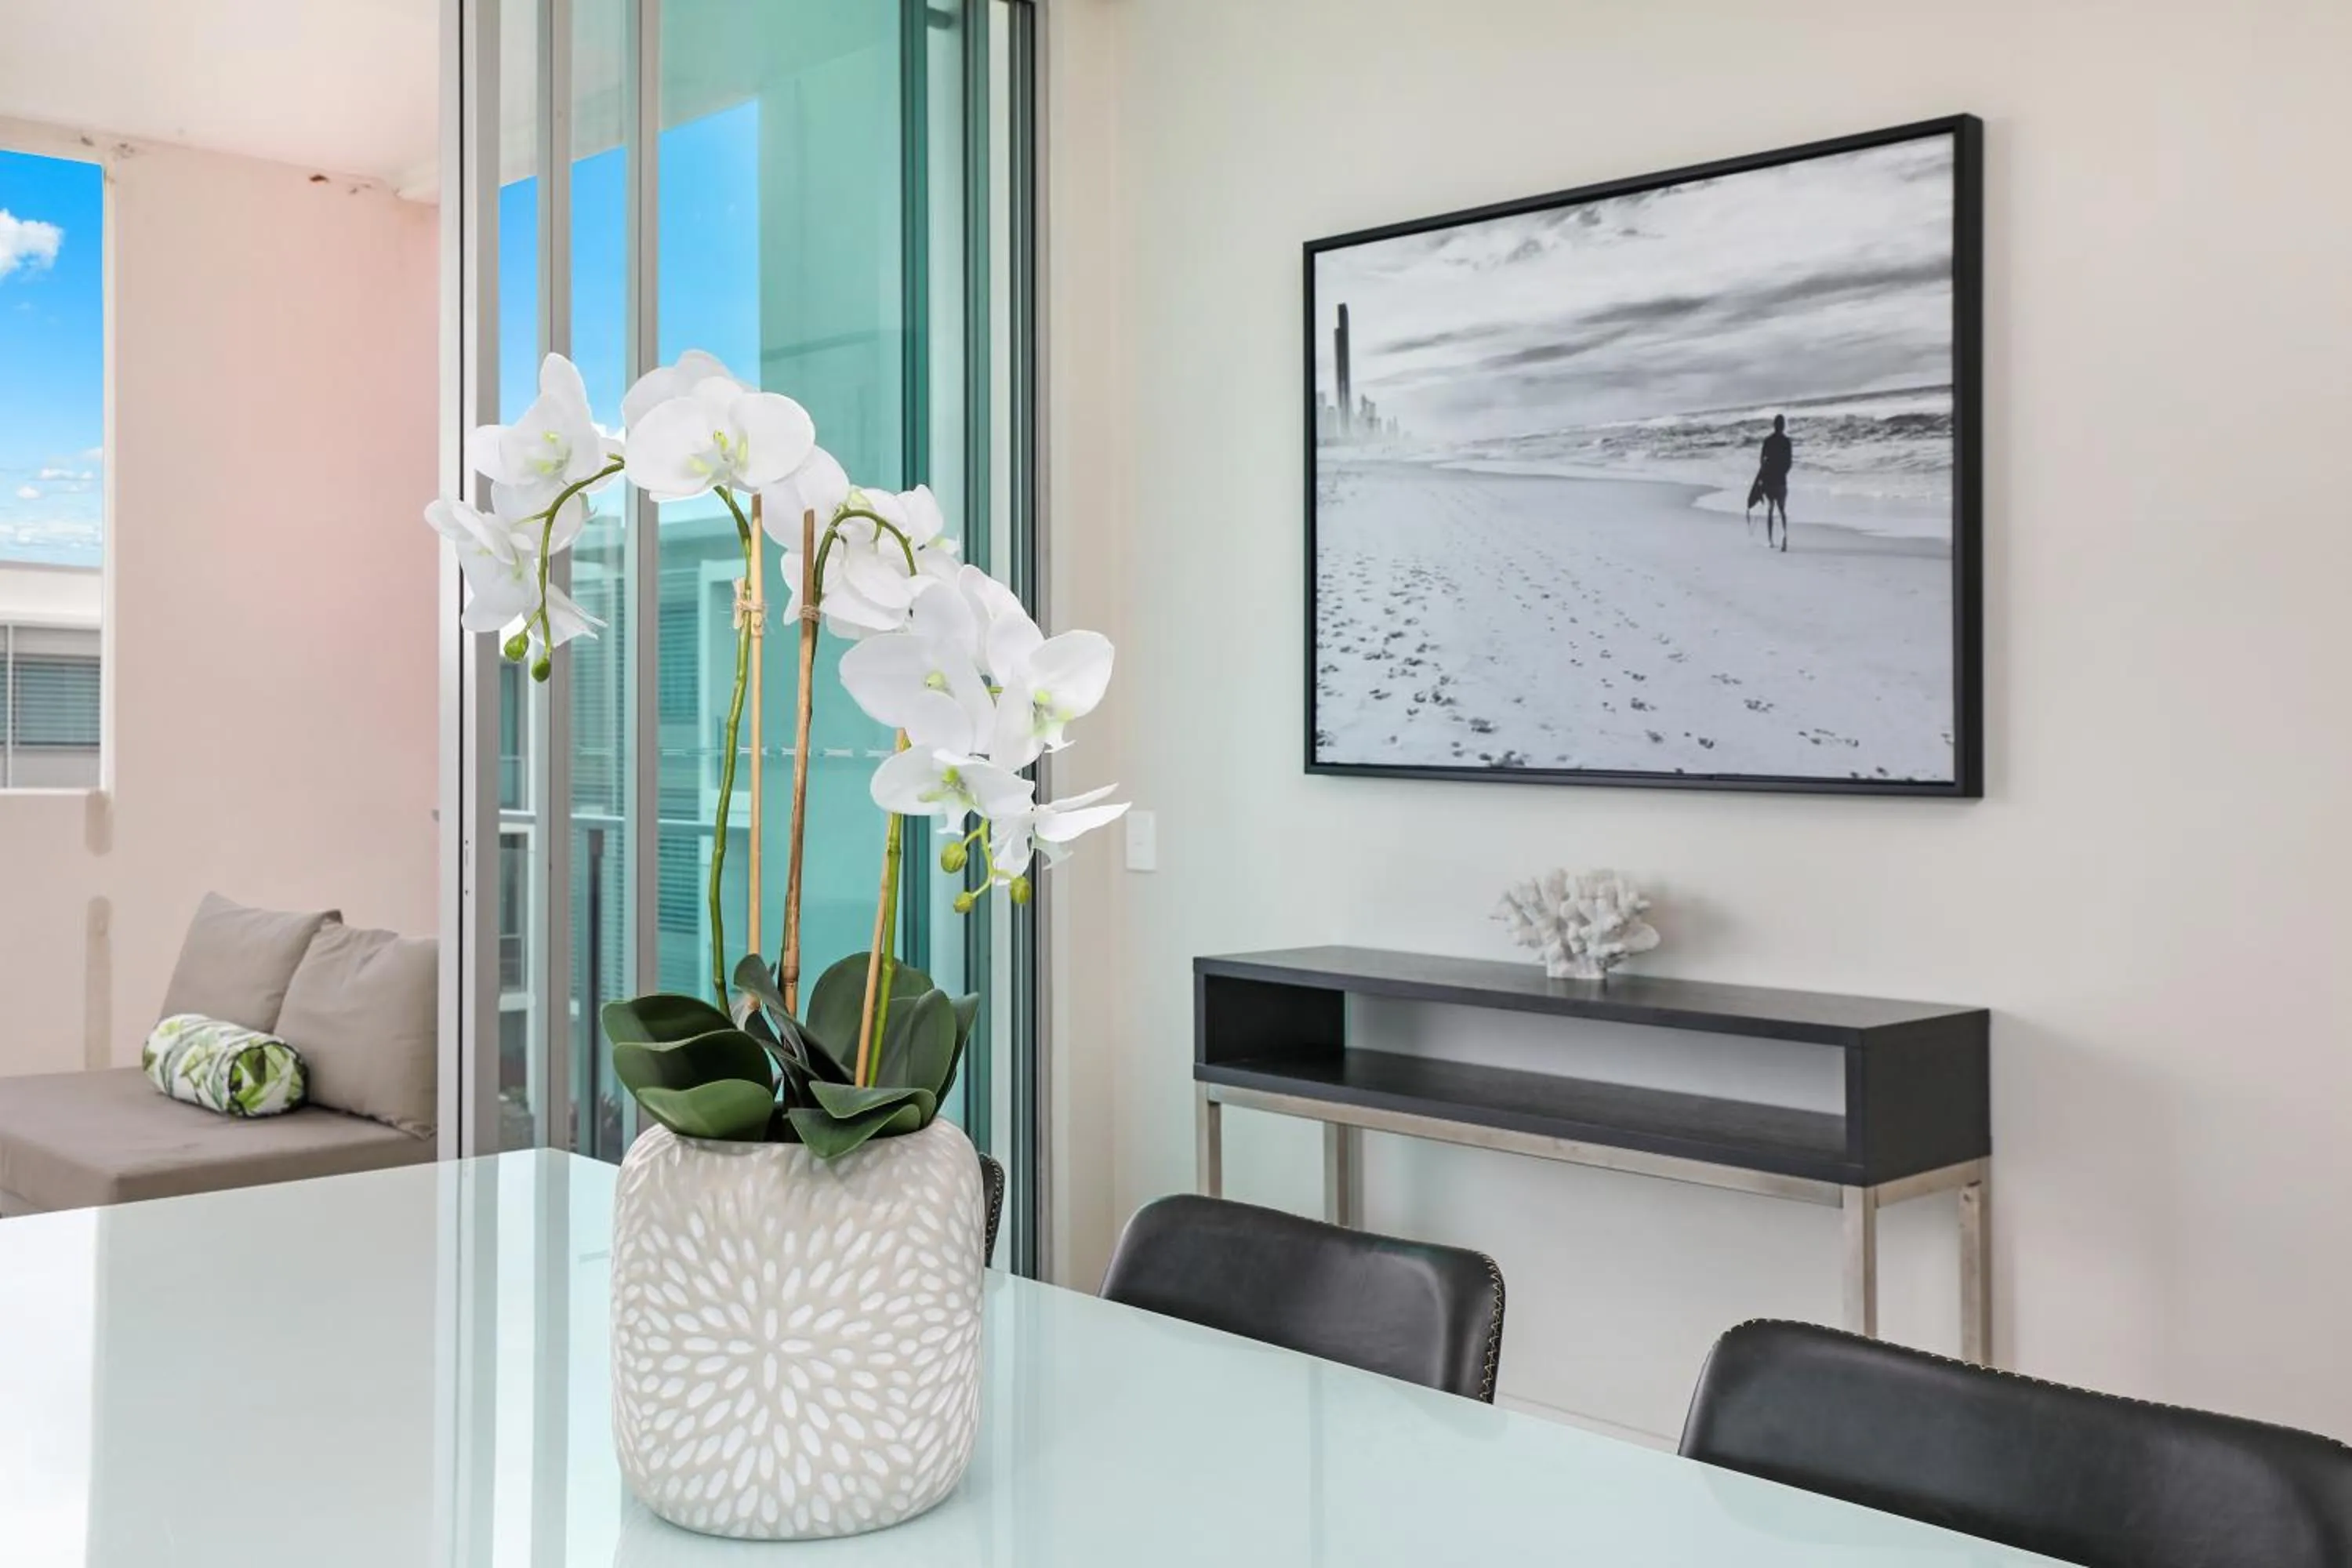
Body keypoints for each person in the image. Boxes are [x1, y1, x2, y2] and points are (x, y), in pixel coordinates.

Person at [1755, 414, 1793, 551]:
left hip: (1769, 479)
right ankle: (1784, 537)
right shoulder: (1787, 442)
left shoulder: (1768, 441)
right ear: (1783, 426)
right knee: (1782, 510)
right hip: (1781, 479)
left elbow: (1762, 461)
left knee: (1770, 509)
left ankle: (1770, 540)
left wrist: (1762, 477)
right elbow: (1789, 463)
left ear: (1774, 425)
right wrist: (1782, 473)